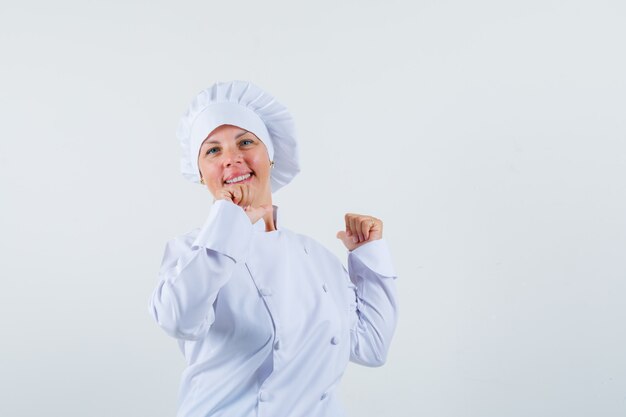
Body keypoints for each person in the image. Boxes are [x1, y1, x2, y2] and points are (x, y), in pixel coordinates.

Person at [149, 80, 398, 417]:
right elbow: (179, 320)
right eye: (213, 150)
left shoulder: (316, 256)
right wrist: (228, 222)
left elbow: (371, 347)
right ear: (201, 173)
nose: (232, 159)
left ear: (271, 157)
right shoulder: (191, 251)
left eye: (246, 142)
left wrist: (369, 256)